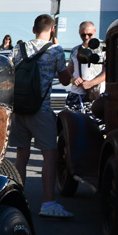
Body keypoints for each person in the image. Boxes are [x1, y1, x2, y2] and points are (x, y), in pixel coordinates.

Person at [11, 13, 73, 219]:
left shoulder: (18, 49)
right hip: (41, 110)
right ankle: (48, 203)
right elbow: (65, 81)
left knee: (21, 155)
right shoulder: (55, 51)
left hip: (18, 109)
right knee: (50, 155)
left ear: (33, 29)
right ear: (52, 29)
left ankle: (16, 200)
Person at [66, 21, 105, 109]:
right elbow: (69, 71)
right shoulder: (75, 50)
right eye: (83, 35)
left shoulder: (104, 48)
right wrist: (73, 80)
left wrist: (91, 83)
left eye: (89, 34)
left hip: (96, 94)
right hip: (76, 94)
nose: (86, 37)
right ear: (79, 33)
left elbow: (110, 72)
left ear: (95, 31)